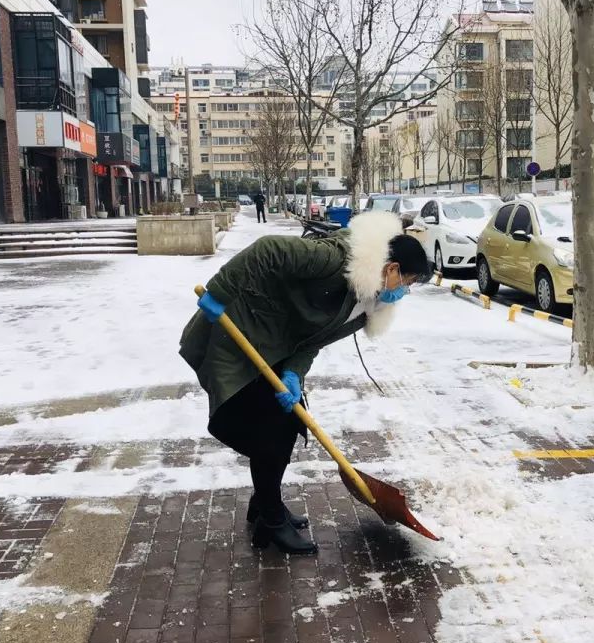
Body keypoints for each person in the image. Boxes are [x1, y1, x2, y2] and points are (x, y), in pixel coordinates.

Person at [180, 212, 428, 555]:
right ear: (391, 269)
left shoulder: (364, 305)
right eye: (407, 281)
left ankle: (265, 504)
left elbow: (314, 340)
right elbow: (267, 250)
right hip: (237, 329)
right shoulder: (334, 260)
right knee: (267, 433)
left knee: (289, 421)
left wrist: (294, 373)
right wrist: (220, 291)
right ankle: (271, 520)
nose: (404, 291)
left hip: (277, 346)